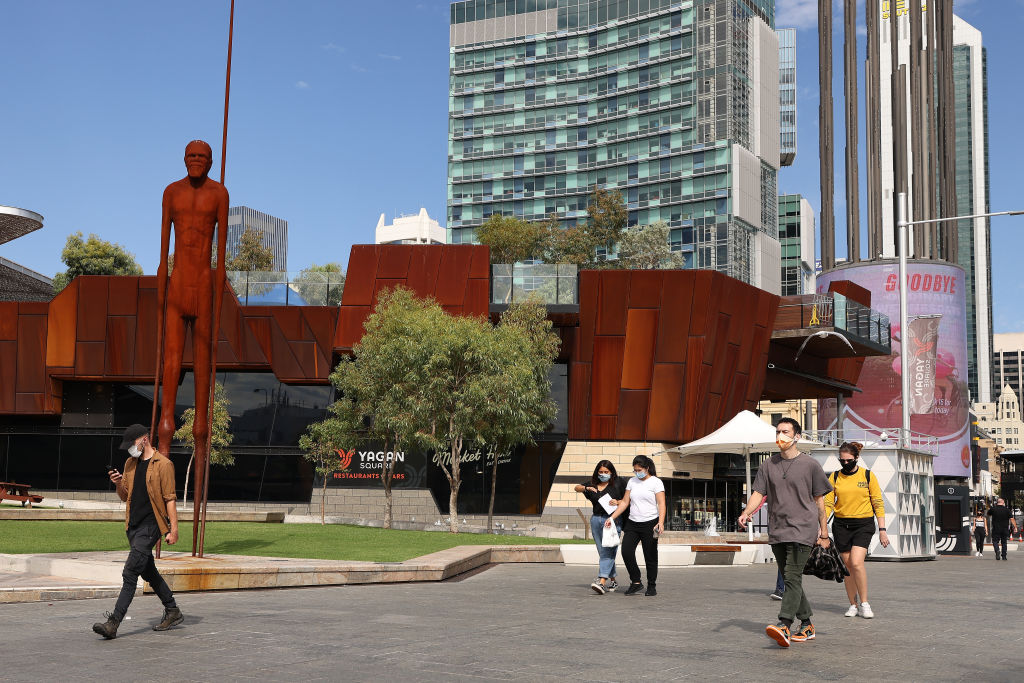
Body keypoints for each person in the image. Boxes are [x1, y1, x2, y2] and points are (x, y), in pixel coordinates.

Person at [157, 140, 229, 518]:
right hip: (177, 285)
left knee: (203, 379)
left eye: (202, 157)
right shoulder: (171, 193)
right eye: (191, 157)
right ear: (184, 160)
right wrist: (161, 281)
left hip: (203, 286)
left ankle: (197, 506)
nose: (196, 161)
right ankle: (161, 485)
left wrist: (217, 296)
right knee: (170, 368)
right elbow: (163, 246)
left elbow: (222, 251)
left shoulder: (220, 194)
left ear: (211, 161)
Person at [738, 418, 833, 648]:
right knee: (791, 578)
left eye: (786, 432)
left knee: (791, 576)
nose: (781, 436)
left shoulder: (810, 465)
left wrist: (823, 532)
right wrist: (746, 512)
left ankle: (784, 624)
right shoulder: (767, 465)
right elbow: (758, 494)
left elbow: (820, 502)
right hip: (778, 529)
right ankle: (807, 624)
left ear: (797, 436)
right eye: (778, 432)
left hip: (803, 528)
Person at [92, 424, 183, 639]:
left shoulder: (164, 464)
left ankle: (113, 623)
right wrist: (117, 484)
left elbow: (170, 499)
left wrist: (174, 529)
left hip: (152, 526)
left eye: (132, 444)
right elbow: (125, 496)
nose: (130, 450)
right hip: (133, 526)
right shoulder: (129, 463)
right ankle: (173, 610)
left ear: (144, 439)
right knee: (147, 570)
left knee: (130, 572)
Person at [824, 442, 889, 619]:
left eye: (849, 460)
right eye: (842, 461)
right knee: (847, 567)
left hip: (863, 525)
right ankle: (852, 604)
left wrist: (882, 529)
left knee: (857, 562)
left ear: (856, 458)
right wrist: (821, 525)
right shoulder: (835, 477)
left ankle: (865, 603)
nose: (845, 464)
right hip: (841, 525)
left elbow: (877, 502)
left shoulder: (867, 475)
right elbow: (828, 503)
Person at [606, 455, 666, 596]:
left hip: (650, 523)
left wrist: (661, 522)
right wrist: (612, 517)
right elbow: (625, 502)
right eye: (635, 470)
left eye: (639, 470)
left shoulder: (656, 482)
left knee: (650, 555)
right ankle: (636, 582)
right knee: (626, 551)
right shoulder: (632, 482)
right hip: (633, 523)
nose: (637, 472)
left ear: (647, 468)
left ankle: (651, 585)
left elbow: (661, 503)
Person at [574, 460, 626, 594]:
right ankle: (613, 580)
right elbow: (576, 487)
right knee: (603, 551)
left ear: (611, 472)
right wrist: (586, 488)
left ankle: (602, 581)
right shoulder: (593, 484)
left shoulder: (619, 483)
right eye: (601, 472)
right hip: (596, 519)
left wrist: (618, 501)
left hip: (613, 520)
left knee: (608, 550)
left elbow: (628, 500)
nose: (603, 474)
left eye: (606, 472)